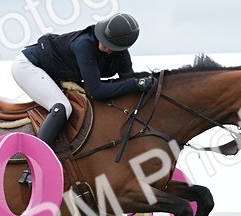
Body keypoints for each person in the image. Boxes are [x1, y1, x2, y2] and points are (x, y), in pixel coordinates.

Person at [12, 12, 154, 185]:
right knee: (62, 107)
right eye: (104, 40)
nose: (105, 46)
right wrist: (136, 84)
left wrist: (143, 84)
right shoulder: (84, 44)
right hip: (28, 67)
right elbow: (97, 91)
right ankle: (32, 168)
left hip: (54, 73)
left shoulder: (122, 55)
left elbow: (128, 85)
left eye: (112, 46)